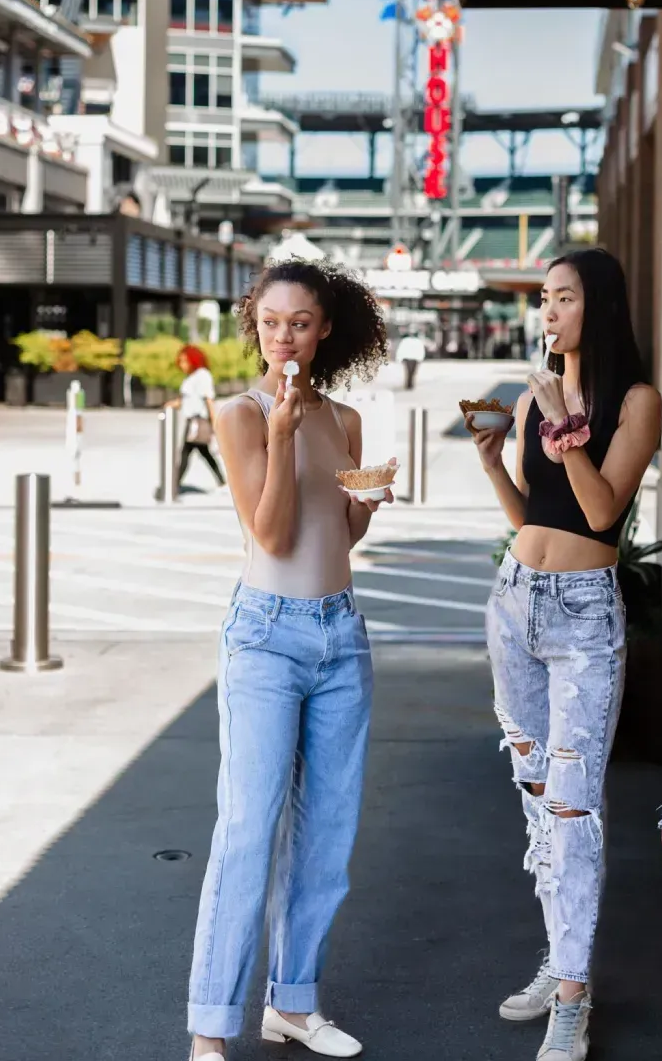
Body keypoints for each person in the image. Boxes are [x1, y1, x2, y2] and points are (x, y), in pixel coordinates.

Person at [187, 259, 390, 1060]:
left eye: (299, 322)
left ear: (325, 327)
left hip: (341, 635)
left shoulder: (343, 418)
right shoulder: (238, 413)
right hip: (265, 637)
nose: (284, 337)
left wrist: (363, 504)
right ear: (255, 324)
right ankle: (210, 1028)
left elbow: (336, 538)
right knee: (246, 829)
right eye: (270, 322)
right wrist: (277, 430)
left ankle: (293, 1004)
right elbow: (269, 536)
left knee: (327, 833)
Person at [467, 248, 661, 1061]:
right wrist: (493, 457)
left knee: (575, 808)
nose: (548, 312)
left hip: (583, 616)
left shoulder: (636, 401)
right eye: (544, 298)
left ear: (599, 307)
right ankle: (561, 958)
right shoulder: (525, 400)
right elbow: (529, 512)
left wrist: (560, 429)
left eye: (564, 297)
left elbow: (599, 509)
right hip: (514, 603)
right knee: (536, 793)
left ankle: (573, 1000)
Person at [166, 345, 225, 491]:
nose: (182, 365)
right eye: (181, 361)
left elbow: (209, 400)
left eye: (185, 361)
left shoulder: (203, 375)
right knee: (202, 452)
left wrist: (215, 423)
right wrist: (171, 405)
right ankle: (221, 480)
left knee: (187, 452)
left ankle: (174, 484)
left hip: (198, 422)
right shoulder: (191, 377)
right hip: (191, 421)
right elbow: (184, 400)